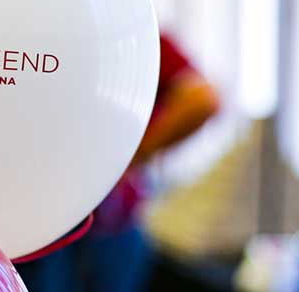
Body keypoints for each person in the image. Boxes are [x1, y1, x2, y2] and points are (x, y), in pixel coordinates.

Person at [17, 33, 220, 292]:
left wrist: (132, 157)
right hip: (72, 223)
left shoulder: (127, 34)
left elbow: (202, 100)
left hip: (91, 223)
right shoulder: (126, 34)